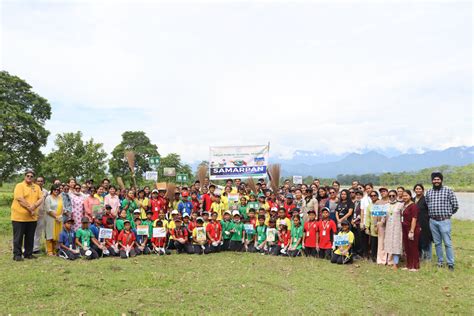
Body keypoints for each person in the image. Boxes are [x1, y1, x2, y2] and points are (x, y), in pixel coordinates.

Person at [425, 172, 458, 270]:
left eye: (438, 179)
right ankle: (440, 261)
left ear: (441, 180)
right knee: (437, 243)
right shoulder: (429, 192)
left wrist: (448, 215)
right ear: (432, 181)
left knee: (447, 243)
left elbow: (455, 205)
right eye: (434, 179)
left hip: (444, 220)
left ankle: (450, 263)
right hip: (433, 221)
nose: (436, 181)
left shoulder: (448, 190)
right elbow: (427, 204)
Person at [11, 170, 45, 261]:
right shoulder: (19, 186)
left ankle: (28, 254)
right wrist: (30, 208)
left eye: (31, 176)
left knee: (30, 237)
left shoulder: (37, 187)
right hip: (19, 217)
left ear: (33, 178)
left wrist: (34, 207)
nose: (29, 177)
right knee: (18, 237)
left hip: (32, 218)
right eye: (28, 176)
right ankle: (17, 255)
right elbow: (20, 199)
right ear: (25, 176)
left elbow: (41, 198)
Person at [383, 190, 403, 270]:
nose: (391, 197)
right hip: (388, 227)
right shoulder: (386, 205)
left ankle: (396, 263)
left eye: (393, 195)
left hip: (398, 227)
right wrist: (379, 223)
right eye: (390, 196)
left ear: (396, 196)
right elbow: (383, 217)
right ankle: (390, 261)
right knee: (389, 244)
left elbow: (403, 216)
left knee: (396, 245)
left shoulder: (400, 205)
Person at [401, 190, 421, 271]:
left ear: (410, 196)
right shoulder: (404, 205)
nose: (404, 197)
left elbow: (414, 218)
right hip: (404, 228)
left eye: (406, 195)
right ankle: (408, 265)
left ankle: (415, 266)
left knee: (413, 247)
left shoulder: (413, 206)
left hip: (411, 228)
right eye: (403, 196)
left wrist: (412, 231)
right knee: (407, 247)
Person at [414, 184, 432, 261]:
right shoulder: (412, 199)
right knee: (417, 239)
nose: (418, 190)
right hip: (415, 222)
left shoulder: (426, 199)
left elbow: (430, 211)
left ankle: (428, 257)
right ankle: (419, 256)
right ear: (414, 190)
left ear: (423, 190)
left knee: (426, 239)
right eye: (416, 189)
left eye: (420, 189)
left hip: (425, 222)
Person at [44, 184, 64, 256]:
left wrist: (60, 215)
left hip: (59, 219)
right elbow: (48, 209)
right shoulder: (48, 198)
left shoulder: (60, 198)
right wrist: (56, 217)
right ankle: (49, 251)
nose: (56, 191)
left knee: (57, 234)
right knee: (50, 233)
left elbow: (62, 208)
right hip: (51, 218)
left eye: (58, 190)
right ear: (52, 190)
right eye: (55, 189)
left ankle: (55, 250)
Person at [33, 176, 49, 254]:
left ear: (43, 182)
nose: (40, 182)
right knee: (31, 231)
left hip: (42, 214)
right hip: (32, 214)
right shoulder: (33, 190)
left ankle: (36, 248)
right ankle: (29, 247)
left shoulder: (45, 192)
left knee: (38, 232)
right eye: (38, 181)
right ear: (36, 182)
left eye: (41, 181)